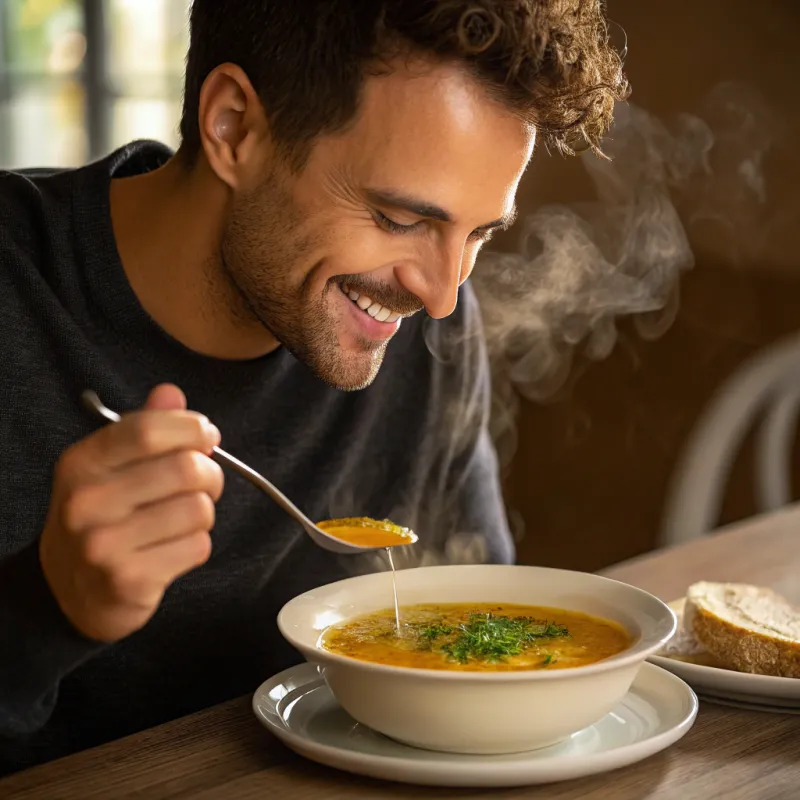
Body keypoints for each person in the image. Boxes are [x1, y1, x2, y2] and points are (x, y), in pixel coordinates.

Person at [0, 0, 627, 776]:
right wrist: (46, 604)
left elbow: (473, 645)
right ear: (233, 127)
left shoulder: (432, 323)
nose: (440, 294)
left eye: (479, 235)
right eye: (399, 218)